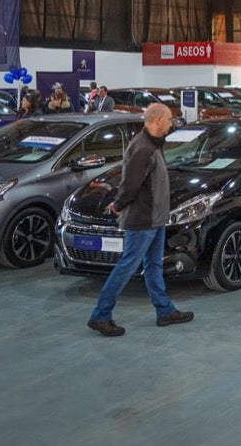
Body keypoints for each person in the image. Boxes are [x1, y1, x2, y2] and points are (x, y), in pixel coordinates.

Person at [88, 103, 192, 337]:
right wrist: (118, 205)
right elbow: (130, 185)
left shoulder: (153, 145)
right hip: (143, 219)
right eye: (168, 119)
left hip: (155, 219)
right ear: (157, 120)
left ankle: (164, 310)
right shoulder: (143, 148)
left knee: (153, 265)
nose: (171, 123)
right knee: (128, 265)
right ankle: (101, 315)